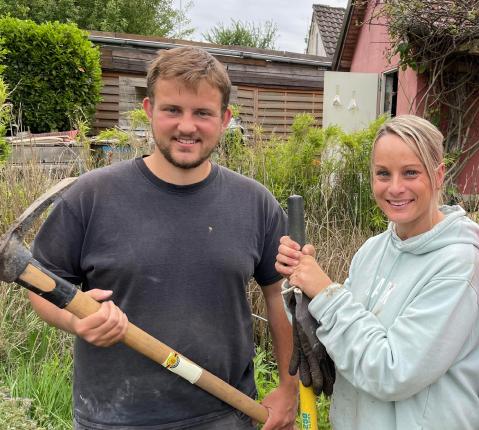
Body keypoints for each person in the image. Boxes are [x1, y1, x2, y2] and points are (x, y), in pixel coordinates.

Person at [28, 46, 297, 430]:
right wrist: (77, 320)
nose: (187, 126)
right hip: (116, 417)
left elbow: (280, 297)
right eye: (173, 110)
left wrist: (288, 387)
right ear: (149, 110)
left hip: (227, 414)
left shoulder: (255, 203)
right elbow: (40, 287)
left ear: (225, 119)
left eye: (202, 113)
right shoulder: (90, 197)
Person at [275, 115, 479, 429]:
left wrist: (325, 292)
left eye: (410, 172)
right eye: (383, 173)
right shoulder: (372, 250)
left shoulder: (459, 264)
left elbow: (393, 372)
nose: (395, 187)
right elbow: (349, 343)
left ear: (439, 175)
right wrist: (303, 292)